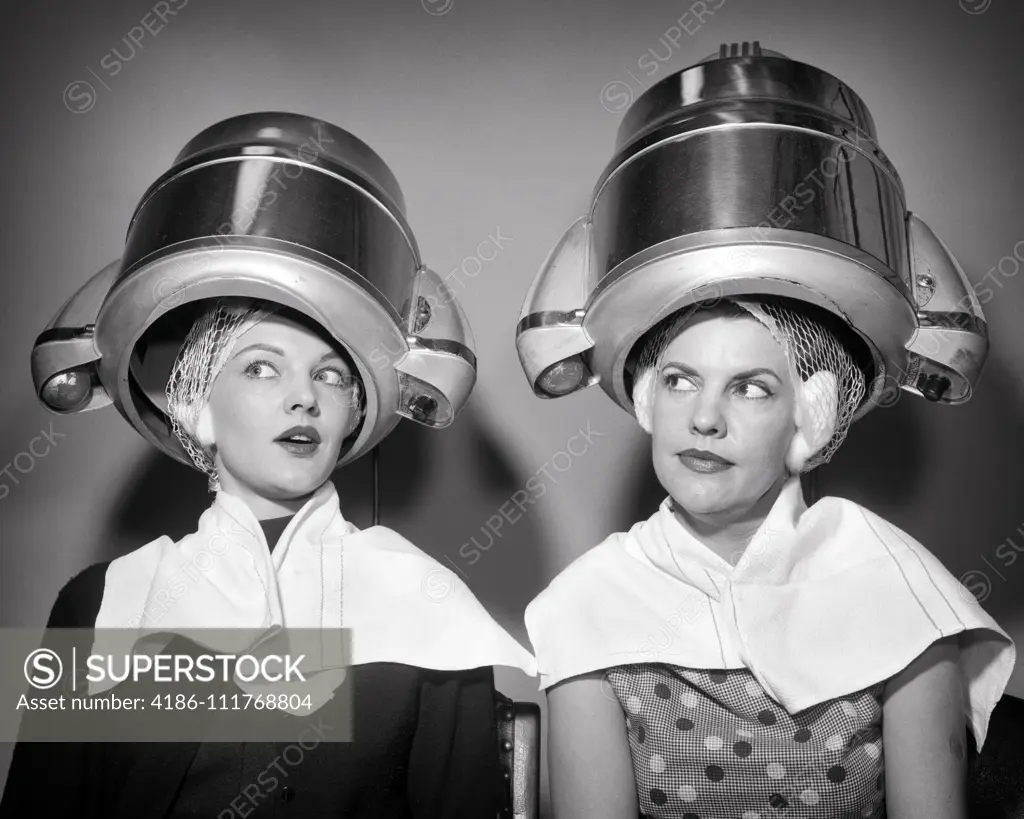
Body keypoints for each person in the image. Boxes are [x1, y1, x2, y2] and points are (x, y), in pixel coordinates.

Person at [514, 43, 1015, 819]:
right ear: (648, 400)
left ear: (808, 421)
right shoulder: (584, 606)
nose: (703, 416)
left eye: (750, 387)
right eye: (680, 379)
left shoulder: (904, 600)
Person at [2, 114, 536, 818]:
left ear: (355, 413)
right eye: (261, 367)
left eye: (332, 375)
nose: (303, 397)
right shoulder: (101, 606)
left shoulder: (427, 603)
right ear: (195, 408)